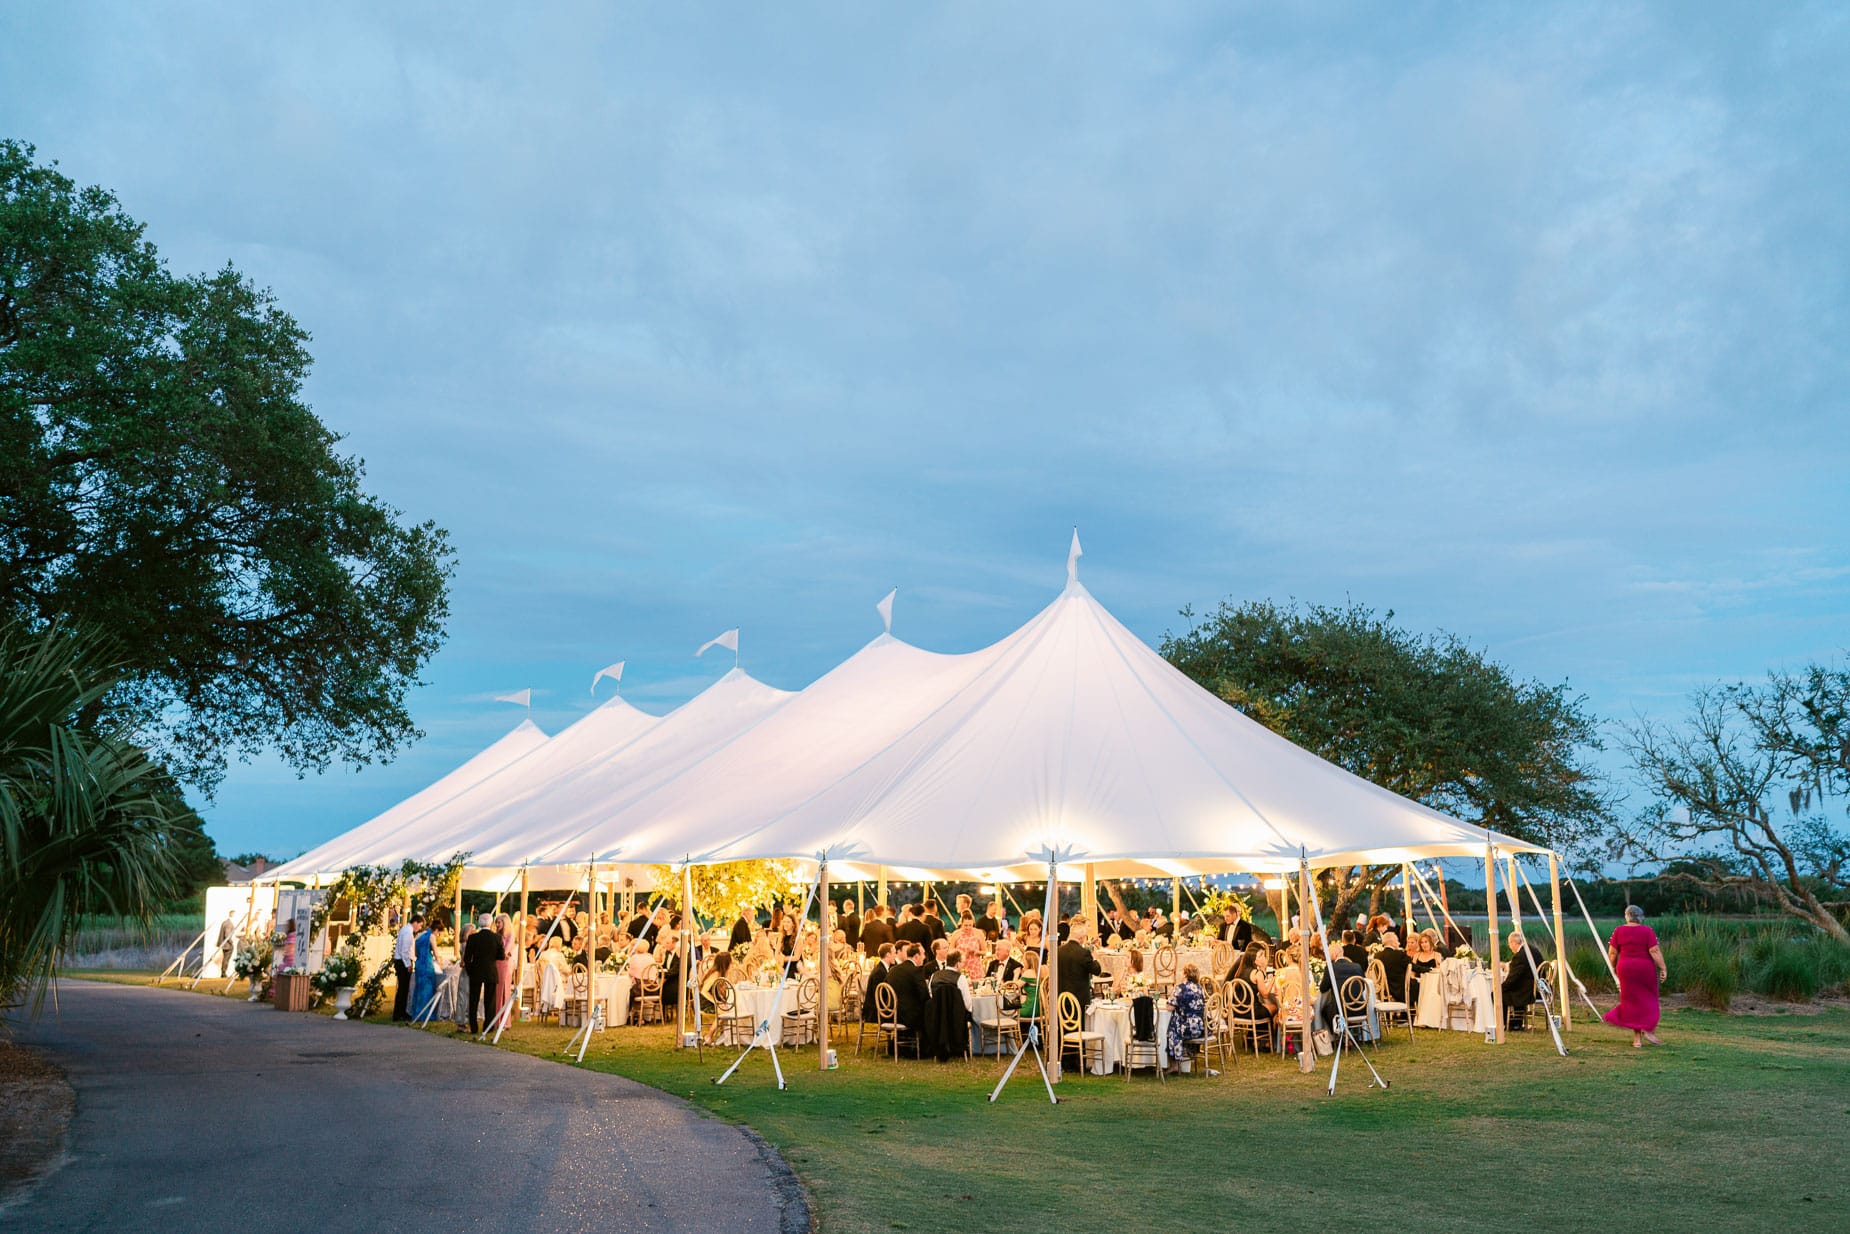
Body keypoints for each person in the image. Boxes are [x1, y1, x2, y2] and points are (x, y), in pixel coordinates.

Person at [1604, 905, 1666, 1047]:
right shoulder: (1647, 931)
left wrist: (1613, 967)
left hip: (1625, 969)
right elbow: (1654, 950)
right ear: (1640, 917)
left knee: (1632, 1002)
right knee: (1649, 1000)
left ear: (1627, 916)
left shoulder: (1618, 931)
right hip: (1645, 970)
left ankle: (1637, 1040)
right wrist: (1663, 967)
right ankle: (1649, 1030)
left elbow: (1612, 953)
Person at [461, 912, 504, 1034]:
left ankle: (474, 1027)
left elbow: (467, 957)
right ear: (491, 923)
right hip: (490, 971)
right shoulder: (497, 938)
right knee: (490, 1001)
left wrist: (470, 970)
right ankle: (488, 1027)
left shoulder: (473, 938)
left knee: (473, 1000)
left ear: (479, 923)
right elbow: (501, 956)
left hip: (476, 971)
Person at [1163, 963, 1208, 1074]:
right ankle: (1187, 1056)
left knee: (1172, 1028)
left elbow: (1169, 1007)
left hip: (1187, 1028)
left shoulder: (1180, 988)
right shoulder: (1199, 988)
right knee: (1177, 1019)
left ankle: (1174, 1064)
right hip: (1201, 1027)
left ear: (1185, 974)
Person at [1315, 938, 1365, 1037]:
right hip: (1360, 1008)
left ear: (1334, 955)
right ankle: (1354, 1035)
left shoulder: (1331, 968)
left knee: (1324, 1009)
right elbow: (1362, 987)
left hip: (1340, 1010)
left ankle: (1341, 1035)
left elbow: (1323, 988)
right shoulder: (1357, 966)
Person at [1057, 923, 1105, 1018]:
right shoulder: (1084, 953)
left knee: (1064, 1026)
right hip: (1079, 999)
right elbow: (1097, 970)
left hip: (1061, 997)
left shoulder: (1059, 951)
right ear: (1082, 938)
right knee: (1079, 1028)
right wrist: (1095, 957)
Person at [1501, 932, 1544, 1030]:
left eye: (1509, 945)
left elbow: (1513, 978)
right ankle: (1516, 1022)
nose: (1510, 947)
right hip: (1538, 988)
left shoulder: (1520, 956)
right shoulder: (1532, 949)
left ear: (1513, 943)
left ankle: (1509, 1024)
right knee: (1513, 988)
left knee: (1498, 994)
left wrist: (1500, 988)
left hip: (1529, 991)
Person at [889, 943, 931, 1033]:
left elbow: (885, 992)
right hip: (908, 1017)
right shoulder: (916, 971)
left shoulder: (893, 970)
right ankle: (928, 1045)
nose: (924, 957)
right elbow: (924, 996)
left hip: (890, 1014)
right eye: (923, 954)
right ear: (916, 956)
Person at [412, 916, 442, 1021]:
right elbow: (436, 953)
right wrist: (441, 964)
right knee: (428, 989)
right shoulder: (431, 937)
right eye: (439, 933)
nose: (438, 935)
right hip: (427, 965)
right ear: (436, 930)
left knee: (419, 988)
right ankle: (426, 1014)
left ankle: (417, 1012)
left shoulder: (420, 935)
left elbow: (415, 952)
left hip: (419, 963)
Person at [392, 912, 420, 1021]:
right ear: (416, 923)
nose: (419, 928)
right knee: (403, 989)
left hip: (400, 961)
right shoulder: (408, 932)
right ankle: (400, 1014)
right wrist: (408, 964)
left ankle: (400, 1012)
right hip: (403, 962)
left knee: (403, 989)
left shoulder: (405, 929)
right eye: (420, 925)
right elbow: (405, 950)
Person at [1374, 930, 1412, 1003]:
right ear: (1392, 942)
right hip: (1400, 990)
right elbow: (1412, 966)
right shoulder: (1399, 954)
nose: (1399, 943)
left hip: (1383, 989)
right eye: (1397, 941)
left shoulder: (1377, 955)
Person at [863, 943, 895, 1024]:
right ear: (888, 955)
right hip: (875, 1012)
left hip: (878, 1008)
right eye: (894, 953)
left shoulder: (882, 968)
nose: (895, 956)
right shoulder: (879, 972)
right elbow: (879, 994)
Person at [493, 913, 516, 1022]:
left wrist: (501, 954)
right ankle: (496, 1018)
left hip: (504, 965)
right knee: (496, 991)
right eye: (496, 922)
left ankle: (504, 1020)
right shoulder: (496, 935)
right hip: (496, 963)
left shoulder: (510, 935)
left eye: (499, 922)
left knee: (504, 991)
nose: (497, 924)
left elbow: (505, 951)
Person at [950, 913, 987, 980]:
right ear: (961, 924)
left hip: (974, 966)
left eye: (970, 925)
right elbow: (950, 951)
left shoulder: (978, 933)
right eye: (965, 925)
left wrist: (976, 952)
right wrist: (959, 953)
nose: (968, 928)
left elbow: (985, 951)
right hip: (960, 966)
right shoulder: (956, 934)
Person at [216, 910, 238, 977]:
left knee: (225, 958)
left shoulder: (225, 922)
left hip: (224, 944)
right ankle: (223, 972)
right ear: (232, 915)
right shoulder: (229, 924)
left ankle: (223, 972)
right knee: (226, 958)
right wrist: (231, 942)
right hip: (227, 945)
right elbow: (227, 935)